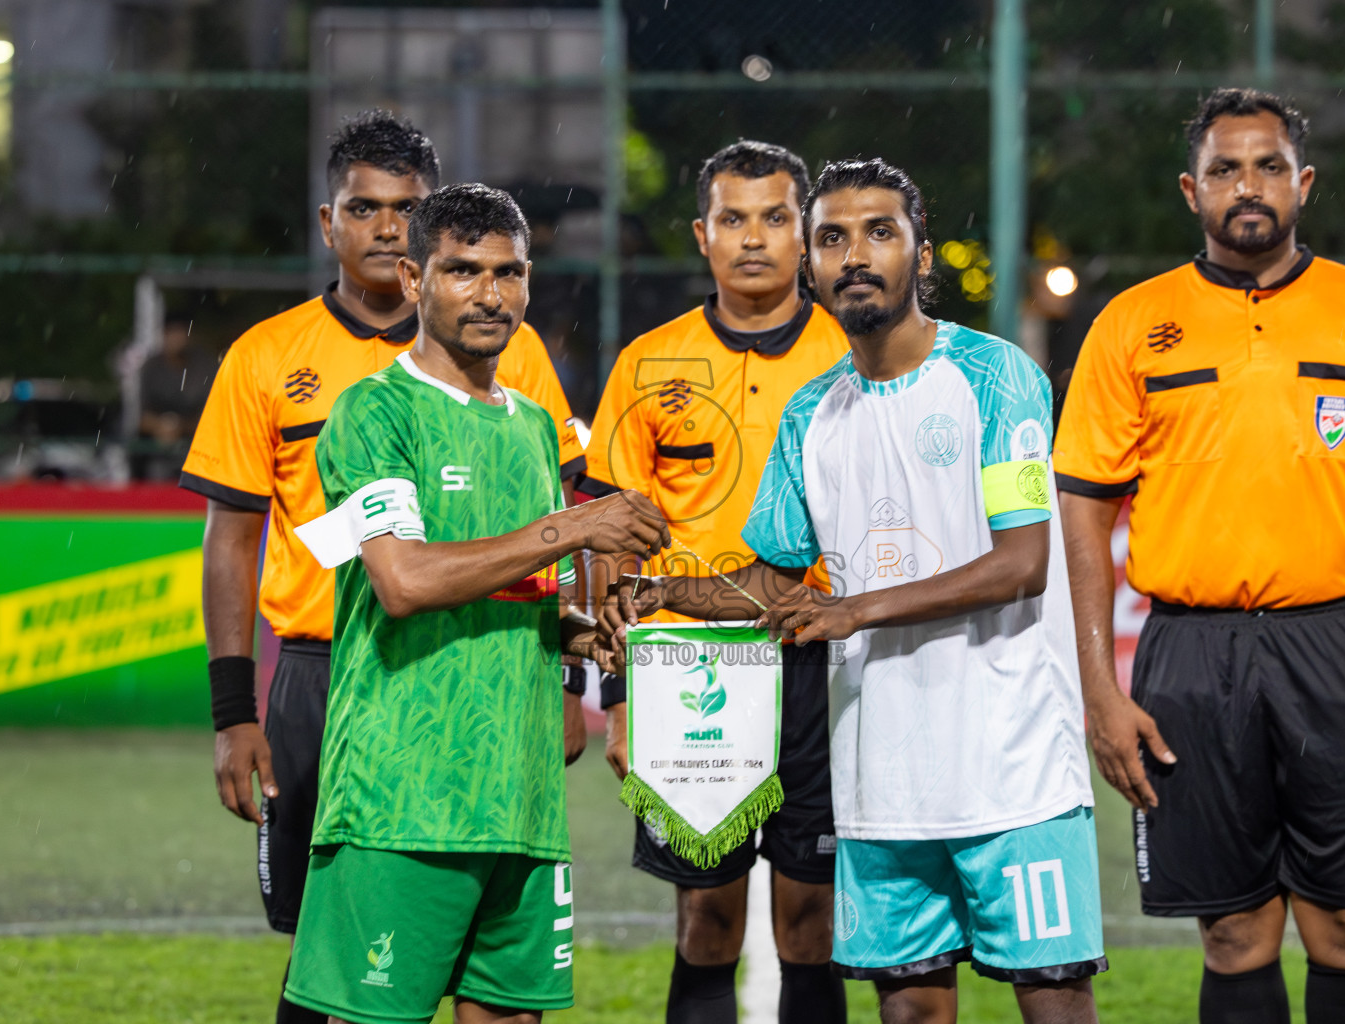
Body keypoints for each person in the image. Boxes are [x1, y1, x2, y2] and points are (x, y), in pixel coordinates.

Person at [607, 158, 1106, 1024]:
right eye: (834, 237)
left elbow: (1022, 563)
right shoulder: (812, 413)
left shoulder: (997, 375)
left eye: (881, 232)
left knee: (1053, 1000)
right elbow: (774, 576)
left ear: (920, 251)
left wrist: (856, 608)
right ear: (814, 261)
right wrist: (665, 595)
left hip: (1012, 764)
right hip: (880, 775)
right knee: (909, 1009)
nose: (856, 255)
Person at [1053, 88, 1345, 1024]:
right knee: (1233, 936)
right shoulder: (1130, 325)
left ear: (1303, 183)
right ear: (1190, 191)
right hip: (1190, 657)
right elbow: (1082, 514)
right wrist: (1099, 693)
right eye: (1226, 169)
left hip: (1344, 643)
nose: (1249, 185)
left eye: (1269, 165)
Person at [178, 110, 586, 1024]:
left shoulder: (516, 371)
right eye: (365, 208)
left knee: (481, 966)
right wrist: (233, 710)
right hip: (330, 675)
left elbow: (552, 518)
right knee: (330, 946)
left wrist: (567, 672)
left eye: (407, 208)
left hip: (488, 672)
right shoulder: (271, 357)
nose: (387, 226)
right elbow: (234, 536)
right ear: (330, 223)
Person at [283, 183, 669, 1024]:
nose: (490, 294)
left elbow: (521, 584)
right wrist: (571, 527)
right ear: (416, 279)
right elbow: (406, 581)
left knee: (510, 1017)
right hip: (403, 798)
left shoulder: (533, 425)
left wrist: (581, 633)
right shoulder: (372, 412)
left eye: (509, 272)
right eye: (463, 271)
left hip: (523, 799)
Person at [579, 140, 850, 1024]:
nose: (755, 238)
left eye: (776, 218)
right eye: (734, 218)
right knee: (706, 917)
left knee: (814, 917)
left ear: (806, 235)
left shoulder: (856, 357)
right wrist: (616, 694)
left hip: (822, 663)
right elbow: (612, 544)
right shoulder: (648, 365)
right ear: (703, 234)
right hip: (688, 668)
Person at [135, 312, 215, 479]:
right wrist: (159, 426)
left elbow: (212, 416)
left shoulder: (204, 367)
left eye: (180, 332)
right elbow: (140, 416)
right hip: (156, 450)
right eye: (172, 332)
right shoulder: (151, 367)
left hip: (198, 449)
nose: (176, 339)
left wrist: (182, 427)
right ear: (164, 335)